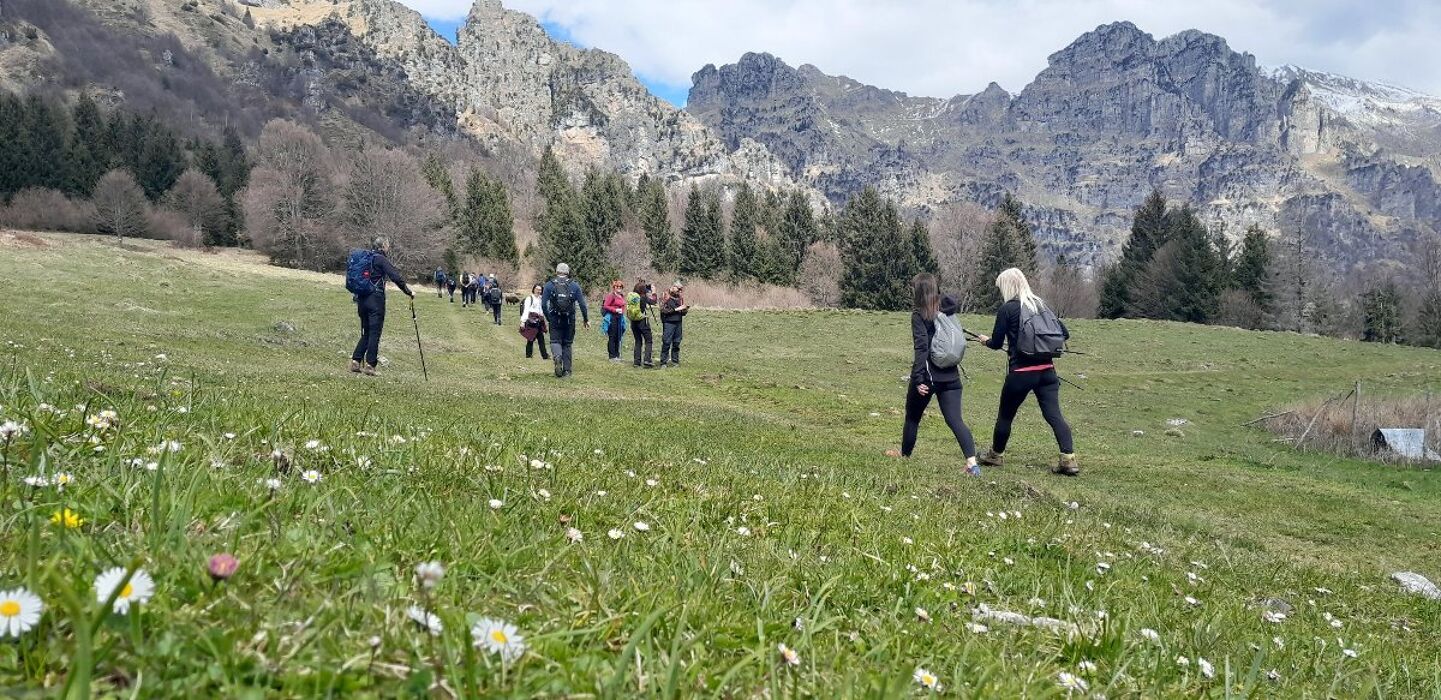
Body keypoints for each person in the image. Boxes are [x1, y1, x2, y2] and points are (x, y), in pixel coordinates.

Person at [976, 267, 1078, 476]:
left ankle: (996, 455)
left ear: (1006, 287)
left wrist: (986, 341)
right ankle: (1068, 460)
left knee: (1005, 416)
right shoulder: (1040, 304)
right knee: (1054, 416)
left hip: (1021, 373)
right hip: (1047, 371)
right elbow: (1064, 333)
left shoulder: (1008, 309)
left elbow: (996, 343)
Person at [886, 274, 979, 473]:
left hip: (928, 379)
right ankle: (972, 464)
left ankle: (905, 457)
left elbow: (921, 349)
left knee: (912, 417)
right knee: (955, 420)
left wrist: (918, 378)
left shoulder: (919, 314)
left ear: (918, 292)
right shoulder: (947, 309)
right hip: (951, 376)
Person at [348, 237, 414, 377]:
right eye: (387, 245)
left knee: (367, 332)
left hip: (361, 299)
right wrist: (408, 291)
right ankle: (370, 365)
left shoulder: (365, 258)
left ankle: (356, 361)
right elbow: (395, 276)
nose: (388, 247)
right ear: (383, 246)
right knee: (374, 333)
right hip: (375, 300)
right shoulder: (380, 259)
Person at [542, 263, 589, 378]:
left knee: (555, 341)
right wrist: (585, 319)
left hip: (554, 318)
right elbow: (582, 304)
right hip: (569, 319)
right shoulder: (574, 285)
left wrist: (549, 318)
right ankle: (567, 371)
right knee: (567, 344)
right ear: (568, 272)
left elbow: (543, 305)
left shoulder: (549, 285)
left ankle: (557, 357)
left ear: (556, 272)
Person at [658, 280, 688, 367]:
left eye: (681, 290)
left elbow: (682, 312)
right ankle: (663, 362)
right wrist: (676, 309)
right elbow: (663, 310)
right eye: (678, 289)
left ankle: (675, 361)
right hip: (668, 322)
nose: (680, 291)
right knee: (666, 342)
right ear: (673, 287)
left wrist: (684, 310)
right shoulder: (665, 296)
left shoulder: (680, 298)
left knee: (677, 342)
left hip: (678, 322)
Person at [629, 279, 657, 368]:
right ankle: (647, 360)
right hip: (642, 321)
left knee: (638, 341)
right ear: (643, 290)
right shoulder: (643, 297)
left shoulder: (633, 297)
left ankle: (636, 362)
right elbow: (653, 301)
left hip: (633, 321)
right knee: (648, 340)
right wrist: (654, 292)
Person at [520, 283, 549, 360]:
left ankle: (545, 356)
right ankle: (528, 355)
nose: (538, 291)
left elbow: (541, 310)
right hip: (531, 321)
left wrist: (544, 320)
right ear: (533, 289)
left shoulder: (541, 299)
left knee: (541, 339)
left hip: (539, 321)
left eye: (540, 290)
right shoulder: (529, 298)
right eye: (537, 289)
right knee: (530, 339)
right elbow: (526, 310)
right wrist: (523, 321)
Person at [602, 279, 628, 362]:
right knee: (612, 336)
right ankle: (612, 356)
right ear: (614, 287)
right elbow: (606, 306)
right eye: (617, 286)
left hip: (620, 318)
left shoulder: (622, 296)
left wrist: (622, 311)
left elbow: (623, 305)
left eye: (620, 287)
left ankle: (617, 355)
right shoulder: (611, 296)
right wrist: (615, 310)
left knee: (618, 336)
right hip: (612, 317)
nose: (619, 288)